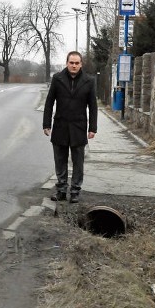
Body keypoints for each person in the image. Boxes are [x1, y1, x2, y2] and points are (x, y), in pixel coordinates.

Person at [43, 51, 98, 203]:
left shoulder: (89, 81)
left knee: (78, 162)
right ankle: (61, 190)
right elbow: (49, 102)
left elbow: (93, 106)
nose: (74, 66)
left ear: (81, 64)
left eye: (77, 63)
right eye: (71, 63)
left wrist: (92, 128)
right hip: (60, 125)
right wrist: (46, 124)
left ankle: (75, 191)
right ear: (67, 63)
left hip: (79, 127)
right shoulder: (57, 79)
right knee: (60, 160)